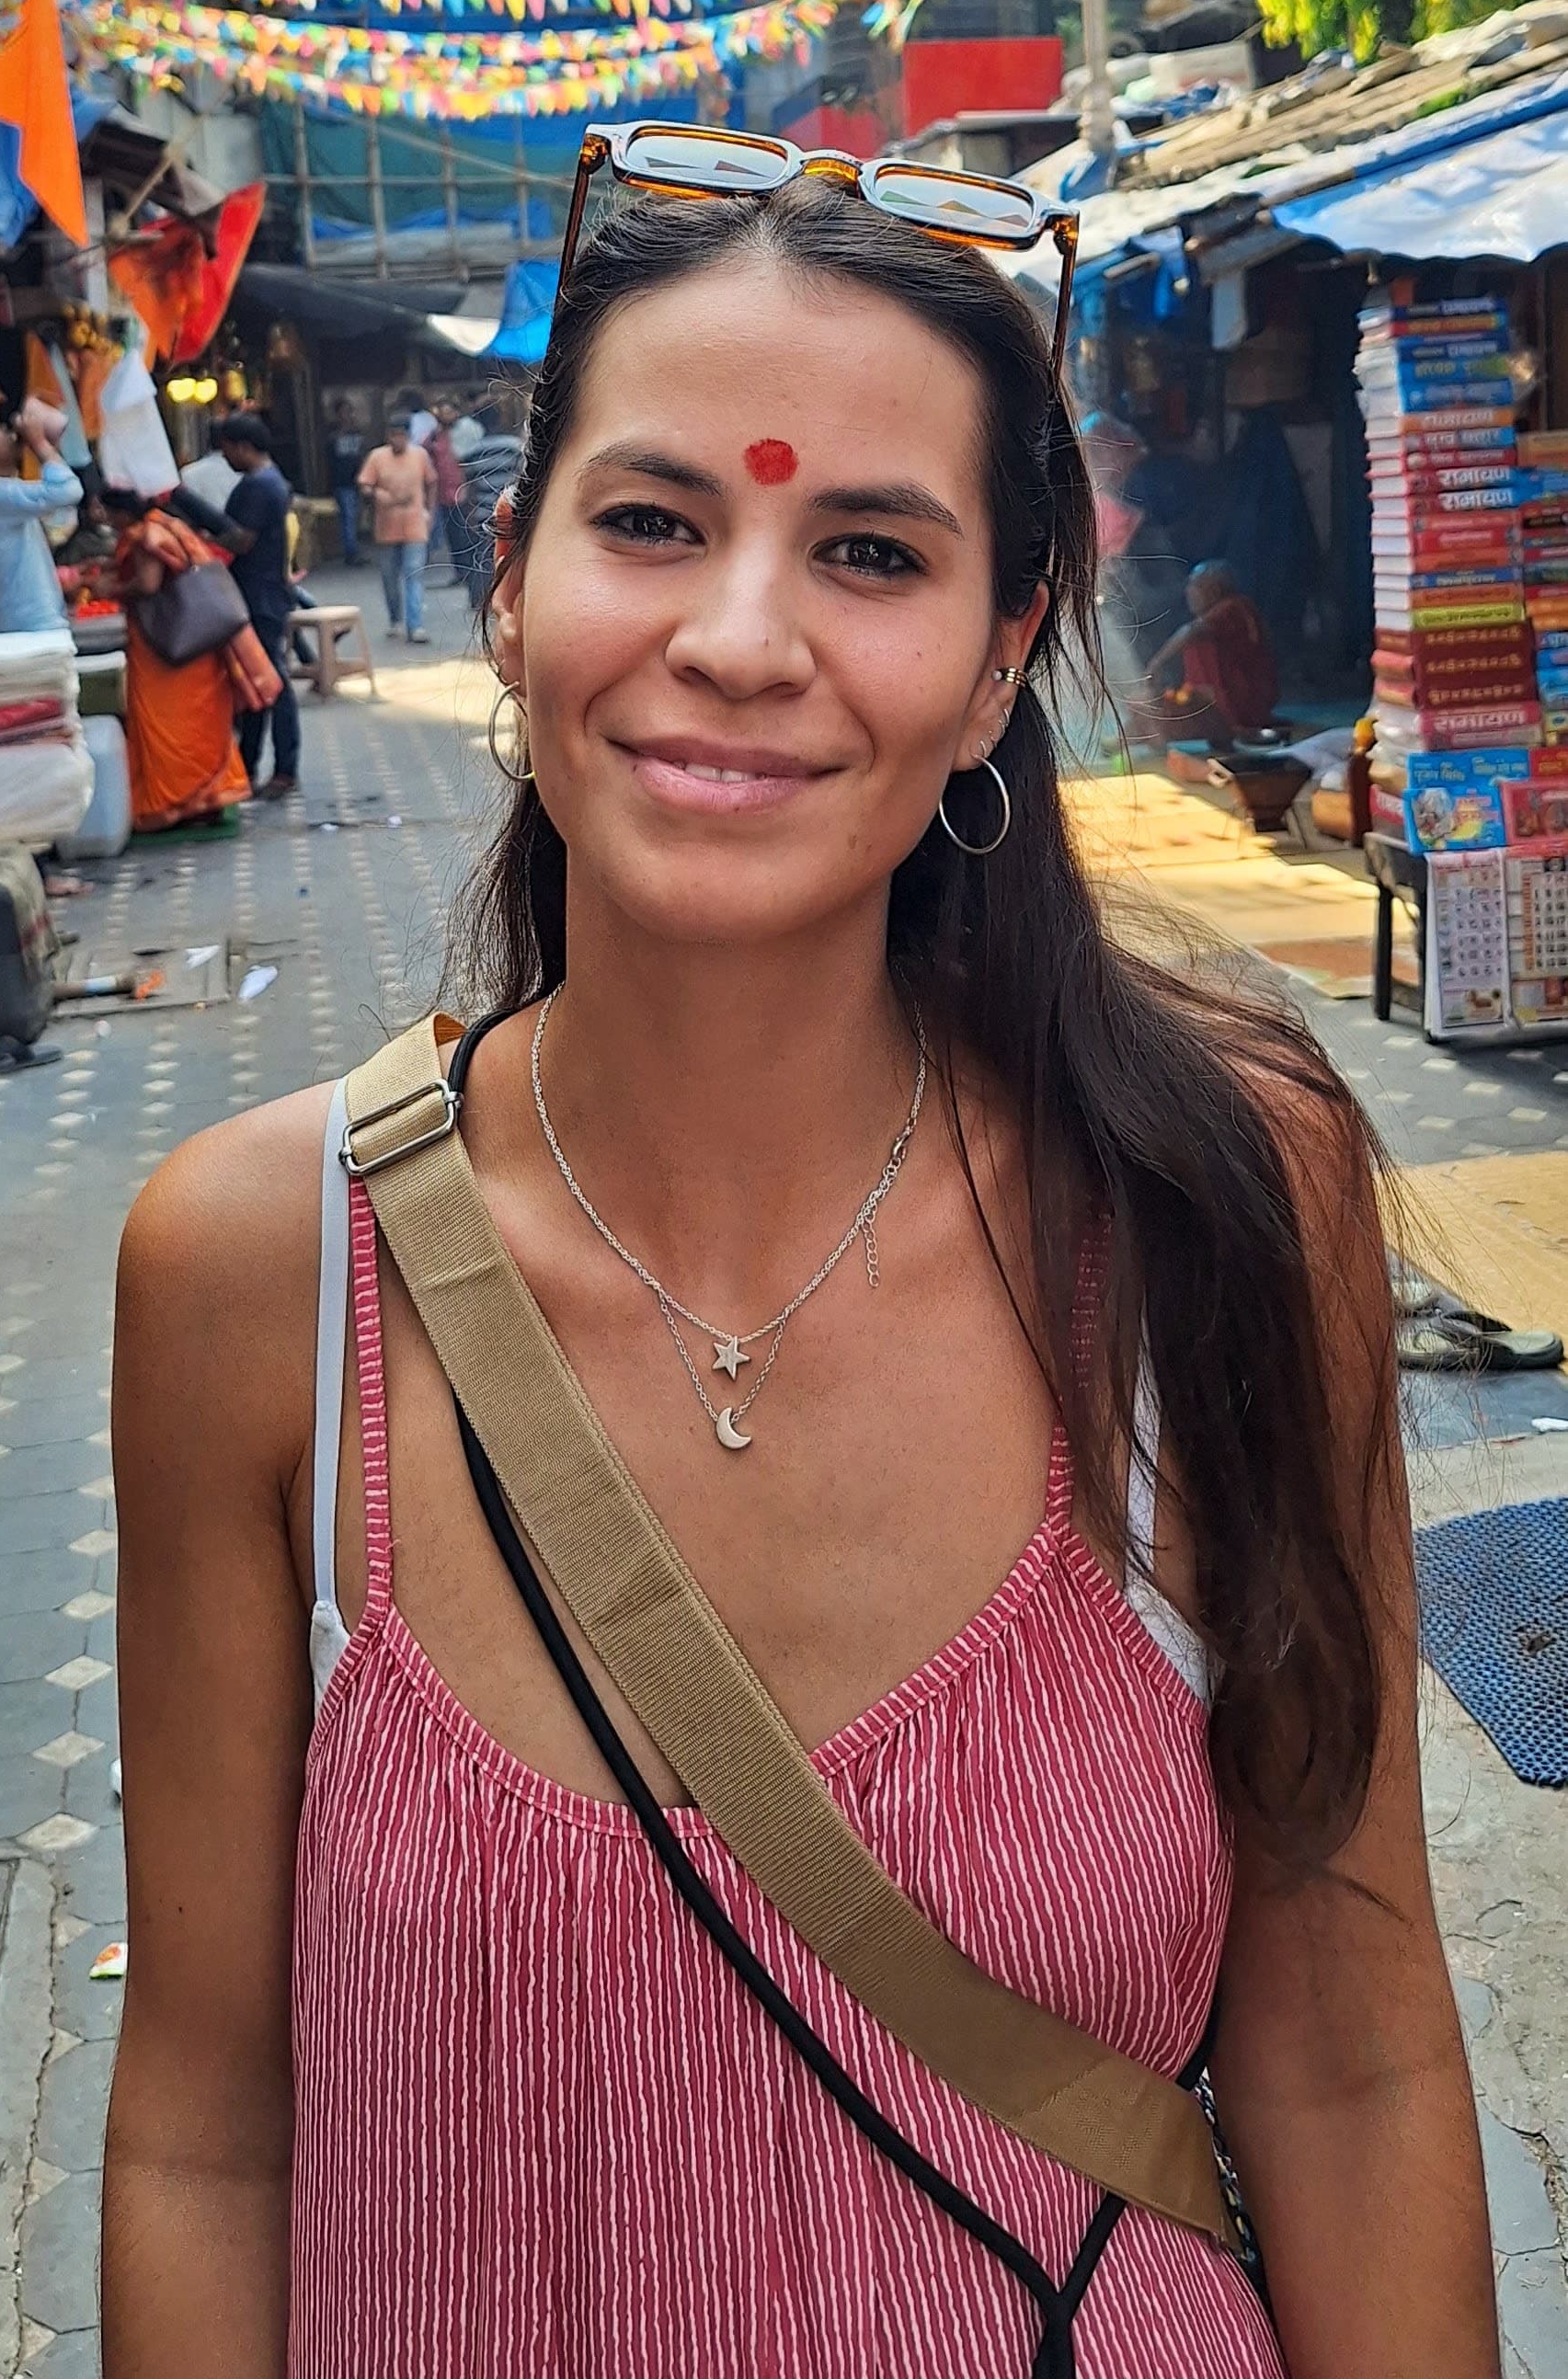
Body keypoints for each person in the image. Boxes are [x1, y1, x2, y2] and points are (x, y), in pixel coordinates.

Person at [104, 155, 1497, 2379]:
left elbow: (1351, 2046)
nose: (742, 636)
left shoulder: (1216, 1196)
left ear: (1000, 653)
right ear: (509, 581)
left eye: (870, 549)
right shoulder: (262, 1274)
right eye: (651, 519)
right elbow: (204, 2123)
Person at [109, 486, 281, 834]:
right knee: (199, 722)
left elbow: (148, 584)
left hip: (165, 650)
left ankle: (174, 806)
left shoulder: (147, 537)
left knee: (168, 724)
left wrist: (109, 589)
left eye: (106, 510)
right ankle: (207, 799)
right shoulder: (167, 524)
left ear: (121, 512)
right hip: (195, 643)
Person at [212, 414, 301, 798]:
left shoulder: (258, 486)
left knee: (271, 682)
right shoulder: (271, 479)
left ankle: (283, 768)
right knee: (257, 682)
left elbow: (241, 540)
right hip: (264, 592)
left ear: (242, 447)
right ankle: (248, 764)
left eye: (227, 448)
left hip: (259, 595)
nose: (226, 456)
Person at [0, 397, 84, 635]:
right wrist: (39, 443)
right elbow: (68, 490)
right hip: (28, 625)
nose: (3, 430)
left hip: (28, 622)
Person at [1146, 561, 1282, 748]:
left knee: (1161, 715)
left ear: (1215, 590)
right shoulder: (1219, 613)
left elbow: (1190, 632)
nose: (1188, 592)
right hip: (1218, 704)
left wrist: (1157, 663)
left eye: (1195, 585)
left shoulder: (1233, 608)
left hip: (1241, 705)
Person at [358, 408, 435, 642]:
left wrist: (429, 512)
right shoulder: (377, 457)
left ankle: (416, 625)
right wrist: (378, 495)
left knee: (414, 575)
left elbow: (432, 482)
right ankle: (395, 619)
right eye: (392, 435)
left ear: (408, 436)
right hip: (386, 527)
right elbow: (364, 485)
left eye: (401, 435)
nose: (396, 440)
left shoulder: (420, 456)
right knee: (390, 578)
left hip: (414, 524)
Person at [460, 398, 521, 613]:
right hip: (511, 511)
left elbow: (470, 489)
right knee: (510, 555)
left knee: (483, 557)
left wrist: (471, 512)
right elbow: (520, 478)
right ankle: (508, 596)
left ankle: (479, 599)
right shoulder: (513, 447)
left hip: (483, 512)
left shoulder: (472, 452)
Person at [424, 399, 473, 586]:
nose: (445, 416)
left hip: (463, 490)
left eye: (448, 412)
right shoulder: (435, 436)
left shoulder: (464, 431)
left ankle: (470, 571)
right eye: (442, 412)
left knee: (465, 534)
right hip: (444, 494)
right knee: (452, 536)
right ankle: (460, 571)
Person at [324, 396, 366, 566]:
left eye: (350, 411)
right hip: (342, 481)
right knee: (348, 517)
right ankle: (351, 552)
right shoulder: (333, 435)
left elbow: (361, 454)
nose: (348, 415)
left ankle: (353, 549)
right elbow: (329, 459)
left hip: (357, 480)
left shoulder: (357, 432)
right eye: (344, 411)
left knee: (354, 517)